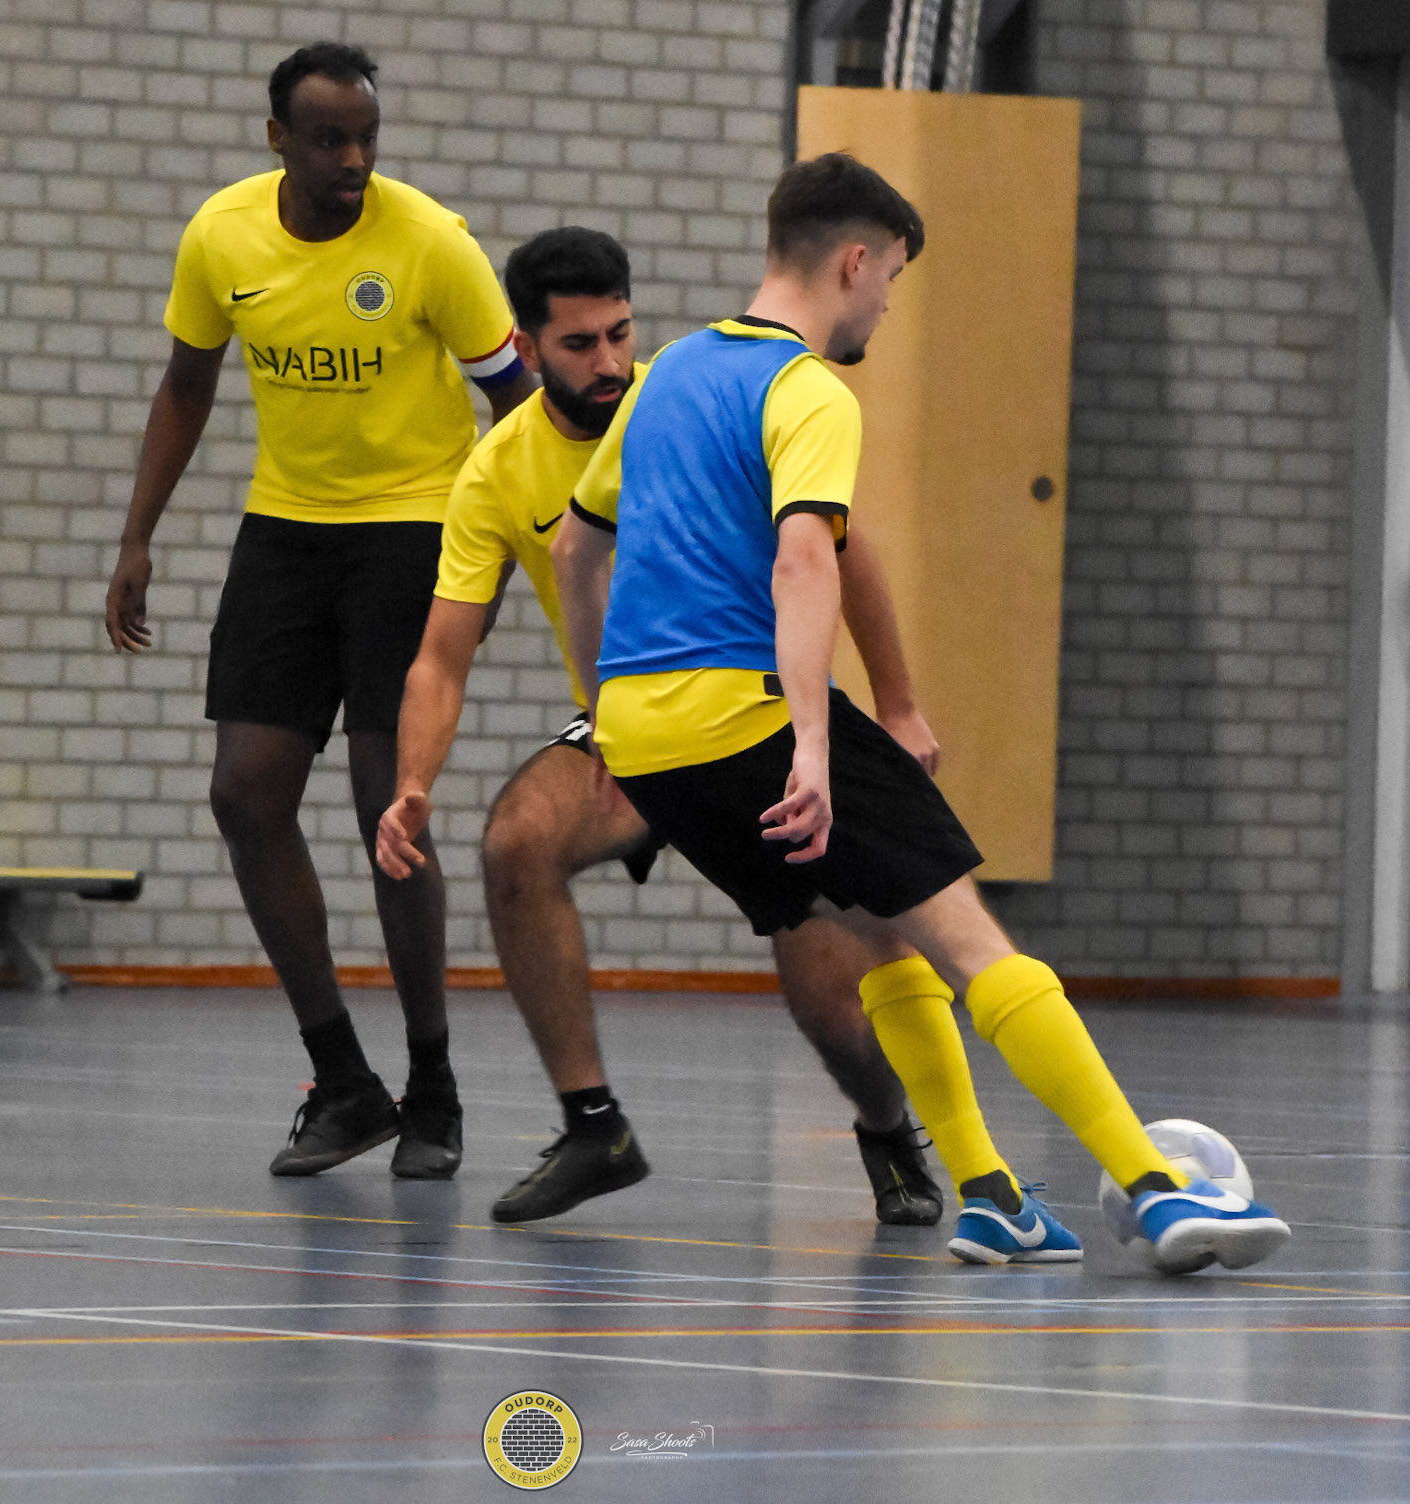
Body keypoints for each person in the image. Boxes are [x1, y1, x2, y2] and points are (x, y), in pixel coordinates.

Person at [551, 152, 1292, 1274]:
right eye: (893, 276)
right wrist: (811, 744)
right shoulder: (805, 390)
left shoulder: (666, 377)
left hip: (650, 742)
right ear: (855, 261)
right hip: (749, 715)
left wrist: (600, 703)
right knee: (971, 939)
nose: (889, 303)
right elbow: (807, 561)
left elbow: (575, 550)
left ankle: (992, 1196)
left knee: (877, 930)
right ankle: (1160, 1189)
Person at [378, 225, 1032, 1240]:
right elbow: (439, 655)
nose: (608, 362)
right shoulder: (497, 470)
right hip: (630, 737)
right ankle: (593, 1124)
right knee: (517, 838)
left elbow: (844, 555)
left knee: (835, 1000)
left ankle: (887, 1125)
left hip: (750, 728)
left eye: (620, 334)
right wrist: (414, 780)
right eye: (580, 344)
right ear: (528, 348)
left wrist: (898, 704)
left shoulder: (688, 404)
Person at [105, 41, 534, 1182]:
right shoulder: (222, 236)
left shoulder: (431, 243)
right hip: (287, 530)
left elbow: (523, 412)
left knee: (388, 813)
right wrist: (138, 535)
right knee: (245, 793)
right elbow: (186, 383)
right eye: (330, 138)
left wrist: (489, 562)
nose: (353, 159)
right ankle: (343, 1080)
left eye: (367, 138)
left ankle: (433, 1086)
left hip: (415, 528)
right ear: (278, 140)